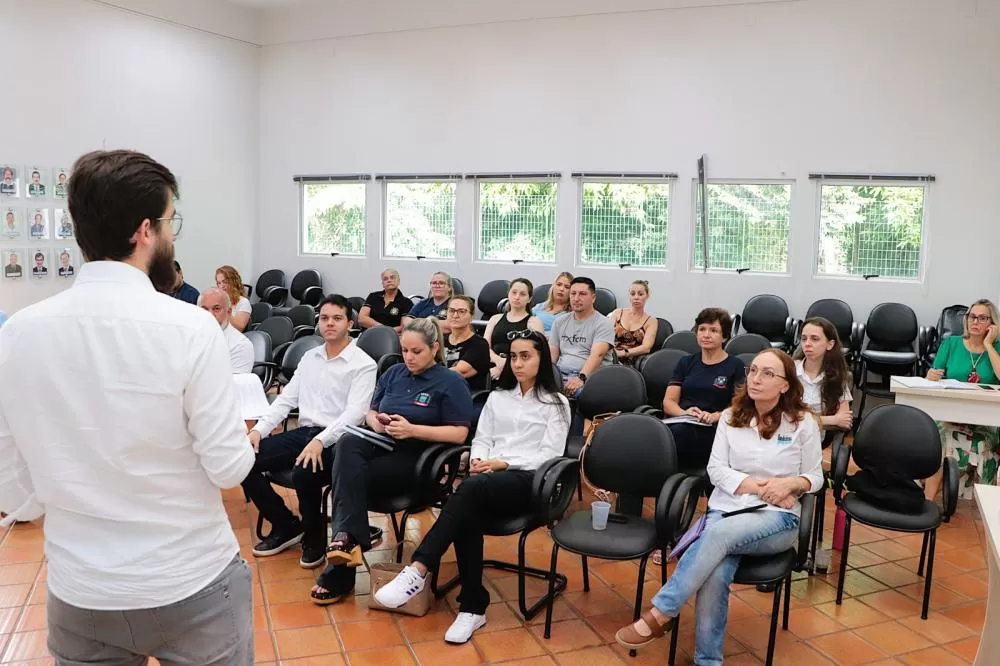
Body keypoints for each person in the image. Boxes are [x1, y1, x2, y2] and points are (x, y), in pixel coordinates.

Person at [0, 149, 256, 663]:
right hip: (191, 582)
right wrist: (249, 437)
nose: (172, 234)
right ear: (146, 231)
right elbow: (228, 469)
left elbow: (16, 493)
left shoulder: (18, 334)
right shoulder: (191, 328)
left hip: (81, 591)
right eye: (170, 222)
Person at [615, 349, 823, 664]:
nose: (756, 378)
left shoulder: (802, 422)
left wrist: (794, 484)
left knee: (716, 536)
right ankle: (708, 660)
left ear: (785, 385)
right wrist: (764, 487)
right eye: (754, 370)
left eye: (768, 373)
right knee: (714, 569)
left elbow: (815, 477)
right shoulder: (730, 416)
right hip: (727, 509)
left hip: (777, 518)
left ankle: (662, 611)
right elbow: (716, 471)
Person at [374, 330, 570, 643]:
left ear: (541, 359)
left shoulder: (555, 403)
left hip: (530, 481)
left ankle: (418, 570)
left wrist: (502, 463)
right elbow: (481, 438)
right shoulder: (498, 396)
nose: (517, 363)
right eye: (513, 356)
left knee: (469, 493)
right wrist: (479, 460)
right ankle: (472, 607)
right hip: (488, 480)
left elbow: (549, 454)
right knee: (468, 505)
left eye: (526, 356)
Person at [310, 317, 473, 604]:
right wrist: (377, 422)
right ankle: (347, 541)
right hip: (383, 445)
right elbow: (371, 411)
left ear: (434, 348)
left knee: (346, 479)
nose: (408, 358)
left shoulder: (451, 382)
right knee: (347, 442)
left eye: (416, 352)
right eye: (405, 351)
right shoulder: (394, 372)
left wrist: (413, 430)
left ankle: (342, 556)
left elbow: (460, 434)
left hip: (419, 459)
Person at [244, 294, 377, 569]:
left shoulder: (363, 364)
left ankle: (314, 535)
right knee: (242, 460)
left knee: (305, 471)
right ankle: (286, 525)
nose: (329, 324)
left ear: (349, 324)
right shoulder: (310, 357)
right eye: (325, 318)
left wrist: (320, 440)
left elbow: (354, 414)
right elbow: (285, 400)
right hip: (304, 433)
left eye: (337, 318)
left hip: (338, 440)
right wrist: (259, 430)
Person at [923, 299, 1000, 499]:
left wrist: (988, 345)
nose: (976, 321)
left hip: (984, 420)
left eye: (983, 318)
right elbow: (933, 377)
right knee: (940, 437)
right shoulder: (951, 344)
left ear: (992, 323)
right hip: (950, 415)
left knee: (983, 442)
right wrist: (930, 377)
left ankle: (984, 505)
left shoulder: (997, 347)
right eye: (972, 316)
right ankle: (928, 501)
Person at [662, 308, 746, 471]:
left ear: (725, 336)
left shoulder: (735, 366)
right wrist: (683, 413)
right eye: (702, 329)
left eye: (713, 330)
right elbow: (669, 402)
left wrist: (716, 416)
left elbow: (741, 405)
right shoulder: (686, 362)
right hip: (683, 421)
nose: (706, 335)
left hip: (715, 427)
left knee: (673, 439)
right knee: (656, 433)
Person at [549, 277, 615, 398]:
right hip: (561, 374)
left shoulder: (603, 323)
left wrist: (581, 378)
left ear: (593, 298)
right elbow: (553, 355)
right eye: (573, 293)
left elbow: (597, 356)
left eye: (582, 294)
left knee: (580, 395)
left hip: (590, 378)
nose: (576, 298)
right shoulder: (559, 322)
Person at [794, 317, 853, 430]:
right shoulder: (790, 369)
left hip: (817, 438)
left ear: (830, 344)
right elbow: (783, 414)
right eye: (803, 339)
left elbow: (845, 420)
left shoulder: (837, 375)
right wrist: (833, 419)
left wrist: (801, 417)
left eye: (814, 339)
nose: (807, 344)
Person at [483, 278, 543, 380]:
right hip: (493, 364)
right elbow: (484, 347)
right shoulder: (495, 319)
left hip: (519, 369)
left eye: (522, 294)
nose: (517, 297)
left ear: (529, 299)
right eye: (514, 293)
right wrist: (499, 362)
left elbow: (536, 354)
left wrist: (506, 366)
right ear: (508, 294)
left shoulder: (534, 322)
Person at [199, 288, 255, 373]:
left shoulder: (240, 345)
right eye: (204, 309)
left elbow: (232, 384)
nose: (209, 314)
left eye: (216, 309)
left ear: (228, 312)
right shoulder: (189, 337)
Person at [444, 295, 491, 391]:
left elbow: (458, 372)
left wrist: (429, 372)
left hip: (463, 395)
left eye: (461, 311)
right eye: (452, 310)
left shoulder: (479, 344)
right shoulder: (440, 340)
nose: (455, 315)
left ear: (471, 316)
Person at [609, 279, 659, 367]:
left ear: (647, 296)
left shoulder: (651, 321)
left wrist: (624, 353)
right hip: (610, 356)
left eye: (640, 294)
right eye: (632, 294)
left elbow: (646, 347)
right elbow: (604, 335)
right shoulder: (617, 313)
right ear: (629, 296)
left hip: (633, 361)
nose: (636, 297)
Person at [358, 268, 412, 332]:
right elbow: (361, 319)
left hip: (391, 338)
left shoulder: (406, 302)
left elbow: (404, 327)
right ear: (383, 284)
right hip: (368, 335)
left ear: (399, 281)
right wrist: (383, 328)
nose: (389, 280)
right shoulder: (373, 296)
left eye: (392, 277)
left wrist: (386, 333)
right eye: (385, 279)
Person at [532, 271, 572, 335]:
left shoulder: (572, 314)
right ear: (553, 287)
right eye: (559, 284)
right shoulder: (540, 306)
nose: (561, 289)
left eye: (567, 287)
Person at [215, 265, 252, 331]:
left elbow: (240, 327)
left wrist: (224, 310)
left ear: (233, 282)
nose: (221, 286)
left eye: (224, 282)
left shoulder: (243, 302)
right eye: (219, 283)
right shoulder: (217, 302)